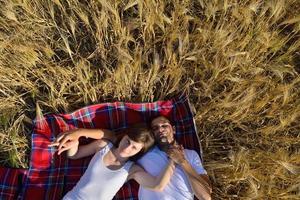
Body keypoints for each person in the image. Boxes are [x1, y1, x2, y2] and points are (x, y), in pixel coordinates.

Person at [49, 123, 175, 200]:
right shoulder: (103, 146)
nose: (127, 148)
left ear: (139, 152)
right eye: (128, 141)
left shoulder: (132, 169)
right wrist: (74, 143)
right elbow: (74, 155)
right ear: (124, 136)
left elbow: (157, 185)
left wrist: (173, 161)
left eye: (134, 147)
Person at [137, 116, 212, 200]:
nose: (160, 129)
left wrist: (182, 161)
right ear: (152, 134)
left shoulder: (191, 155)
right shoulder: (144, 153)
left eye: (164, 125)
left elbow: (205, 197)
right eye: (155, 128)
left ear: (174, 129)